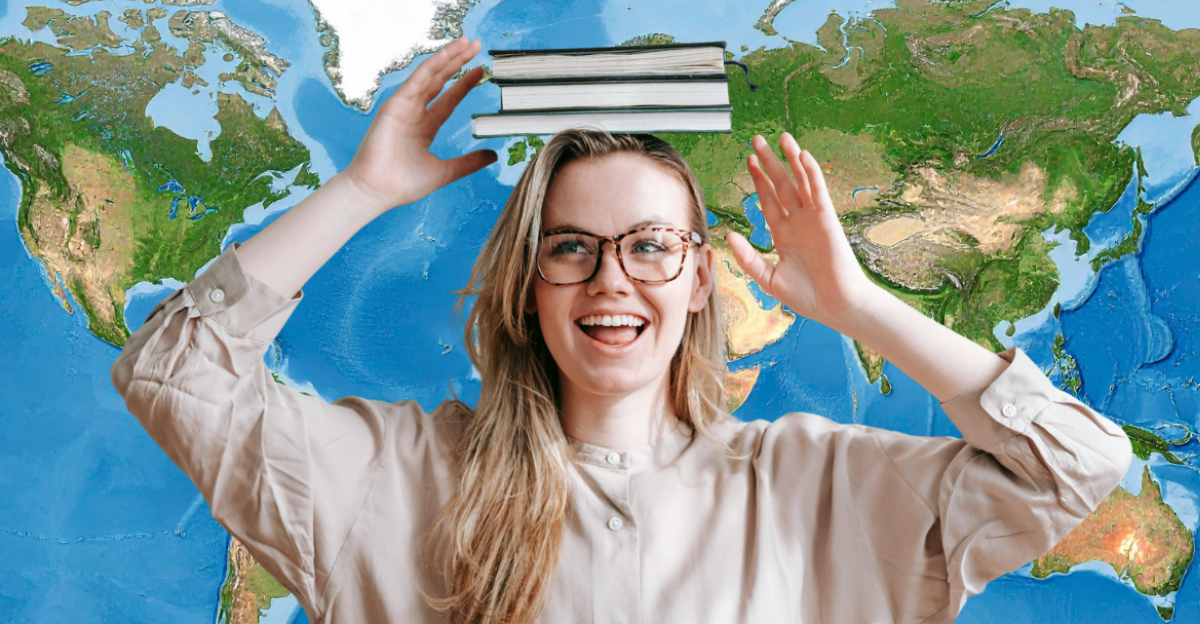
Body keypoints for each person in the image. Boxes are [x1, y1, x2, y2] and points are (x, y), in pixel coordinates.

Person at [111, 36, 1133, 624]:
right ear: (527, 283)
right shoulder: (398, 478)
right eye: (570, 248)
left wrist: (859, 304)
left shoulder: (810, 489)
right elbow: (172, 375)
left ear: (697, 282)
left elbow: (1074, 469)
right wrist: (363, 190)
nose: (611, 279)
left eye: (651, 246)